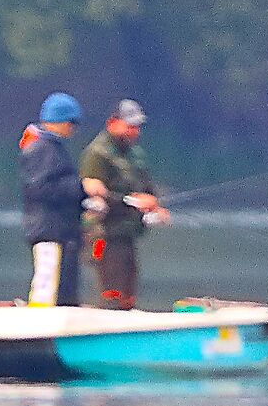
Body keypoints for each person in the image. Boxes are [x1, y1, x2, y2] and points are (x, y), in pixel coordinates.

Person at [80, 98, 168, 309]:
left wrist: (154, 205)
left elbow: (145, 187)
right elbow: (93, 198)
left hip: (127, 234)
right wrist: (132, 202)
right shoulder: (97, 153)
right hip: (104, 236)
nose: (134, 131)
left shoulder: (135, 153)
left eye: (137, 126)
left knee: (128, 295)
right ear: (113, 123)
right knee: (112, 294)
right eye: (129, 126)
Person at [19, 91, 94, 307]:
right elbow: (40, 189)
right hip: (49, 234)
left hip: (61, 233)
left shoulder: (52, 148)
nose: (73, 128)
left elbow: (57, 188)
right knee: (46, 289)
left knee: (63, 292)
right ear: (58, 121)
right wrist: (82, 186)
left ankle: (61, 330)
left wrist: (83, 200)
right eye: (71, 122)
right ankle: (40, 333)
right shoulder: (41, 149)